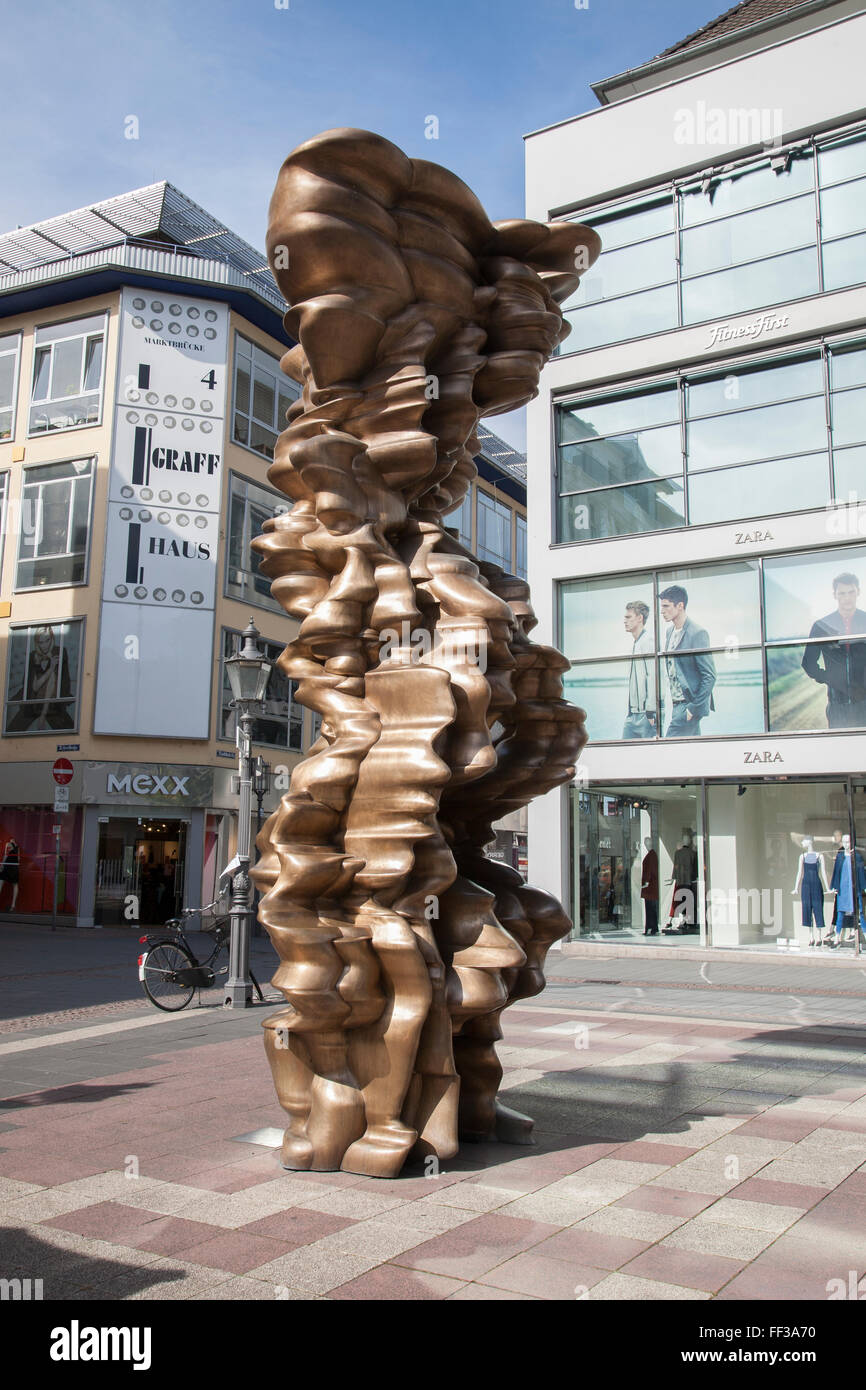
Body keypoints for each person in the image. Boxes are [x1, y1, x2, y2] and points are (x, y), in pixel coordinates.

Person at [801, 572, 866, 729]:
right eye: (842, 593)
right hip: (837, 705)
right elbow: (808, 663)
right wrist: (828, 677)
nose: (847, 597)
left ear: (858, 592)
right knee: (839, 750)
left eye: (851, 592)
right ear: (835, 595)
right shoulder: (822, 626)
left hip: (865, 703)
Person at [659, 585, 716, 737]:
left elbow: (709, 676)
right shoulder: (669, 632)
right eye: (661, 606)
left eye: (666, 606)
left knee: (668, 749)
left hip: (688, 705)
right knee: (691, 751)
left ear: (680, 606)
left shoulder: (697, 633)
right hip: (677, 704)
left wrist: (693, 708)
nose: (662, 611)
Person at [621, 600, 657, 739]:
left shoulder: (648, 641)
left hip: (646, 714)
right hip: (633, 714)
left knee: (648, 756)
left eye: (628, 617)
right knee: (624, 753)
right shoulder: (636, 643)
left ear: (640, 618)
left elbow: (653, 676)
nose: (624, 621)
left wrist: (651, 712)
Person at [640, 836, 659, 935]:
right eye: (645, 842)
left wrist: (646, 882)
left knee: (650, 908)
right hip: (650, 887)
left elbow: (650, 870)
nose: (646, 844)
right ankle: (651, 928)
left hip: (650, 887)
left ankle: (652, 928)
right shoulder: (652, 855)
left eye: (647, 842)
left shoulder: (652, 855)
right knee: (650, 908)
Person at [0, 840, 20, 910]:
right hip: (14, 865)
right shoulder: (17, 846)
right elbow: (18, 858)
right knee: (15, 884)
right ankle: (13, 905)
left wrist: (2, 865)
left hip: (9, 864)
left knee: (1, 883)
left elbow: (6, 855)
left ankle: (13, 905)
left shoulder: (8, 844)